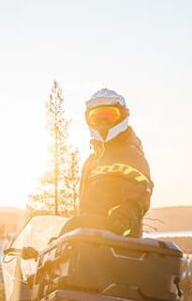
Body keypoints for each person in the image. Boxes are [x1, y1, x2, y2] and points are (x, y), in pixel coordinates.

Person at [65, 88, 153, 238]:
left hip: (119, 243)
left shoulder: (131, 154)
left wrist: (124, 217)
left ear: (122, 117)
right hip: (88, 243)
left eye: (109, 116)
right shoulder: (90, 163)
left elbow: (139, 194)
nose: (103, 122)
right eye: (97, 118)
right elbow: (84, 208)